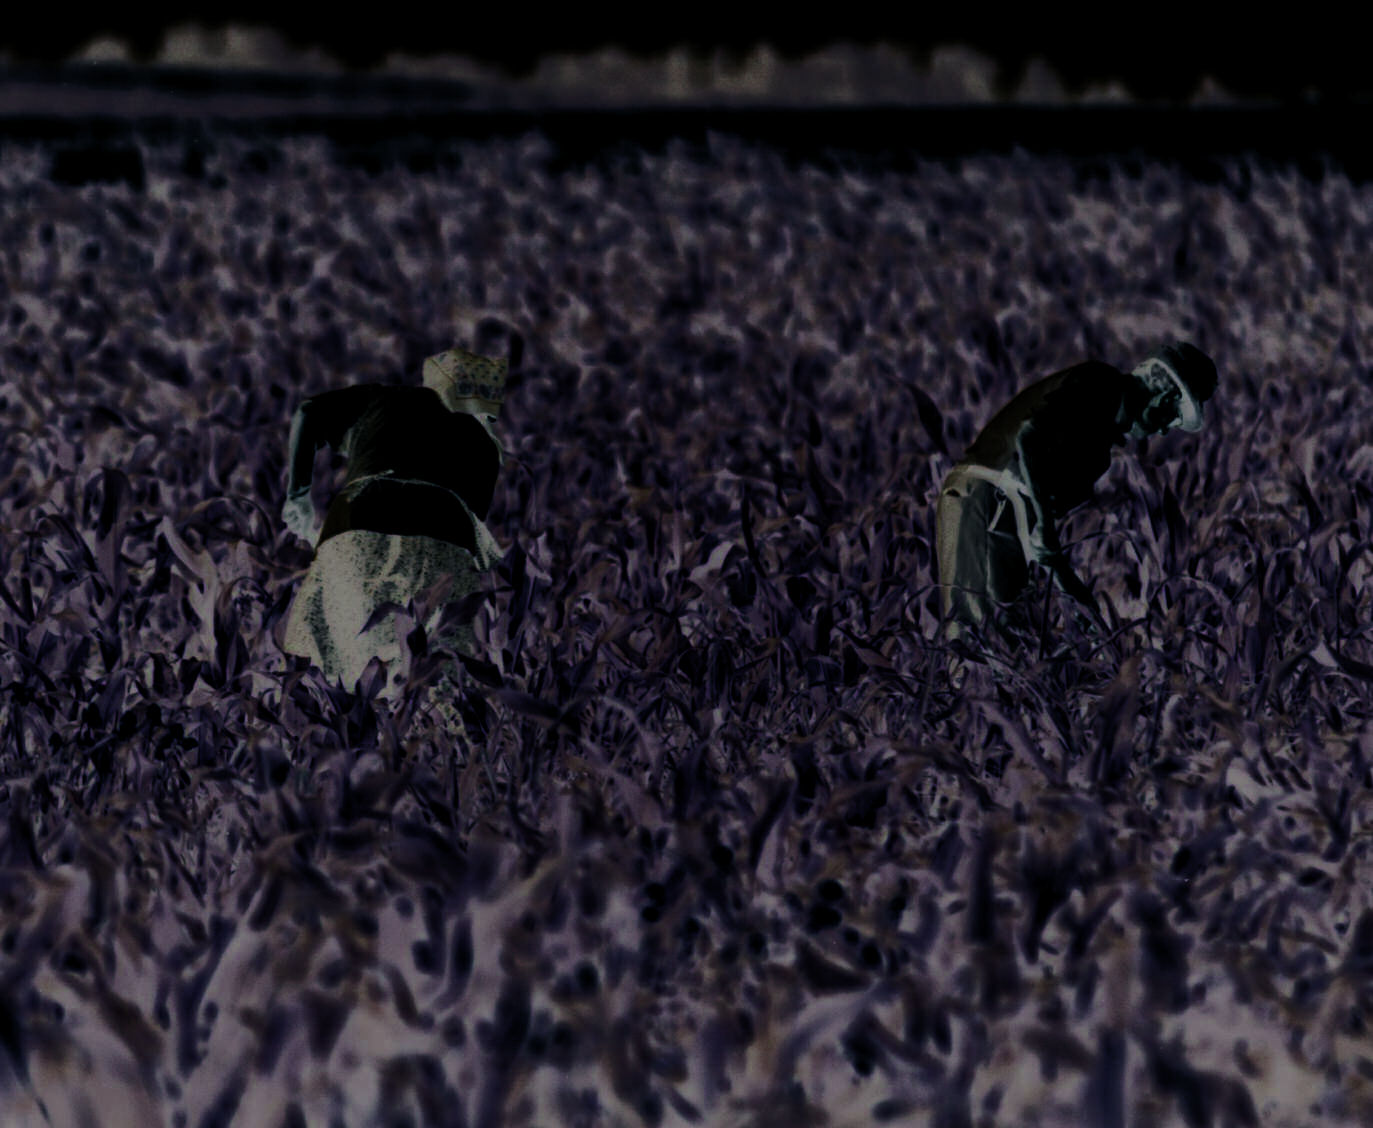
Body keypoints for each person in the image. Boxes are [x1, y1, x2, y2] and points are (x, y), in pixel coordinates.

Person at [935, 341, 1218, 638]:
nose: (1165, 430)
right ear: (1167, 397)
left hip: (1006, 515)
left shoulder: (1101, 447)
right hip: (990, 498)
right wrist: (1046, 527)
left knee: (1010, 641)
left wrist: (1077, 594)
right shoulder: (1101, 386)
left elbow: (1043, 538)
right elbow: (1031, 441)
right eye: (1175, 419)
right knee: (978, 637)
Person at [280, 347, 507, 695]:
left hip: (360, 523)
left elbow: (309, 411)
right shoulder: (487, 448)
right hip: (446, 538)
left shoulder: (385, 397)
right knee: (439, 678)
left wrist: (299, 497)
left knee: (334, 672)